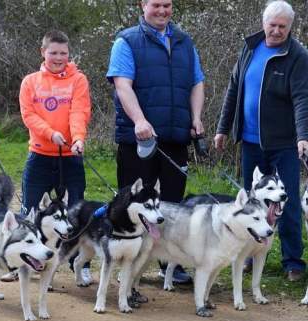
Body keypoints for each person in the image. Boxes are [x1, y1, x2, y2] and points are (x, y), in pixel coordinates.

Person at [106, 0, 205, 284]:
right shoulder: (126, 41)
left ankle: (169, 264)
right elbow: (122, 85)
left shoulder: (185, 42)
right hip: (139, 139)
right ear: (143, 5)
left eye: (167, 5)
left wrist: (196, 118)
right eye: (156, 5)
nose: (162, 10)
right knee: (133, 203)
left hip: (176, 138)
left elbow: (197, 82)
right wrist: (139, 120)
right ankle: (126, 269)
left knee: (171, 204)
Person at [214, 0, 308, 282]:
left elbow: (303, 98)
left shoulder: (298, 55)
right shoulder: (250, 48)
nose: (277, 31)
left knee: (285, 202)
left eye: (282, 26)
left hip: (283, 144)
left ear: (290, 28)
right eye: (272, 25)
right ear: (263, 23)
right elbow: (233, 88)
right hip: (250, 142)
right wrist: (222, 128)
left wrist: (303, 136)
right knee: (250, 202)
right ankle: (247, 255)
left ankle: (293, 262)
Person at [19, 30, 93, 284]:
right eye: (54, 53)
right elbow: (29, 115)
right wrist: (51, 134)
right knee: (31, 211)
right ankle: (24, 261)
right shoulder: (30, 81)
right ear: (43, 52)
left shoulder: (78, 80)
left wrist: (78, 138)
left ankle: (78, 264)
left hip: (70, 157)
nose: (59, 58)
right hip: (39, 156)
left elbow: (79, 111)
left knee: (75, 213)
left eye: (63, 53)